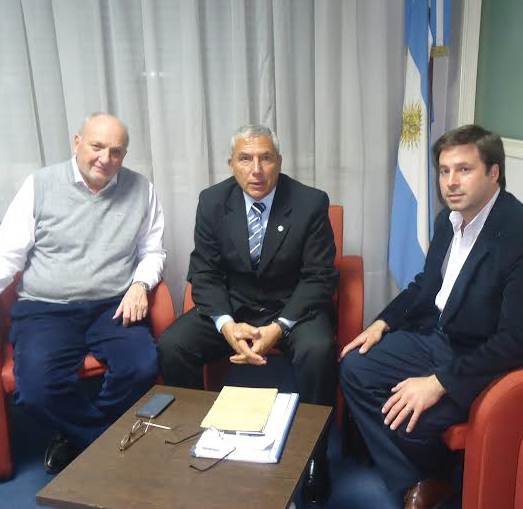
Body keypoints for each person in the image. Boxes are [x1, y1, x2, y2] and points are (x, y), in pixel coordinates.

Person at [340, 124, 523, 508]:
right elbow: (427, 286)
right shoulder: (448, 220)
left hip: (483, 358)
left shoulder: (516, 233)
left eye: (464, 169)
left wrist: (439, 382)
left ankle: (433, 478)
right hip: (439, 336)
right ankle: (420, 479)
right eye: (444, 171)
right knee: (354, 366)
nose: (450, 182)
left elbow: (514, 341)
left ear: (494, 173)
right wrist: (382, 323)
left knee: (414, 416)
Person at [159, 124, 338, 503]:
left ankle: (315, 457)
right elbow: (204, 273)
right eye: (245, 159)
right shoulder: (212, 201)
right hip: (234, 306)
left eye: (265, 158)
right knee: (174, 344)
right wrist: (225, 324)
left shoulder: (310, 202)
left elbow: (319, 277)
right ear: (231, 164)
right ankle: (193, 440)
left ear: (279, 162)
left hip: (292, 308)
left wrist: (280, 326)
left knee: (318, 351)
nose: (256, 170)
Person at [0, 113, 166, 473]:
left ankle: (75, 437)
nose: (105, 158)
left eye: (116, 151)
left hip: (112, 305)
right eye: (96, 146)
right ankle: (102, 441)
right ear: (77, 142)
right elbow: (7, 255)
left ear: (124, 155)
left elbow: (152, 251)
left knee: (142, 366)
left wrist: (140, 285)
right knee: (36, 388)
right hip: (46, 307)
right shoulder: (40, 184)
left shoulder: (141, 189)